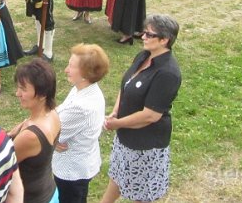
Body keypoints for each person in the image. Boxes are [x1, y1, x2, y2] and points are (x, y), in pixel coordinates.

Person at [101, 14, 182, 203]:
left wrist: (117, 123)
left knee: (142, 194)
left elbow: (150, 116)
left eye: (149, 34)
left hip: (145, 145)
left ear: (164, 40)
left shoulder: (167, 74)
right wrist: (116, 111)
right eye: (144, 32)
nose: (143, 37)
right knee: (118, 176)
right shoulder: (144, 55)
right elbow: (127, 83)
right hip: (126, 137)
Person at [53, 44, 109, 203]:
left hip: (71, 172)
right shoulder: (83, 88)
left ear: (86, 73)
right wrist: (54, 139)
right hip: (80, 163)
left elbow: (48, 131)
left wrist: (53, 139)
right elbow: (59, 112)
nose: (66, 69)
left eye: (71, 66)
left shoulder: (82, 107)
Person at [9, 59, 61, 203]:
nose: (17, 93)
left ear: (42, 94)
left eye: (24, 89)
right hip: (49, 192)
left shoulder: (30, 136)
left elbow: (1, 164)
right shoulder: (53, 114)